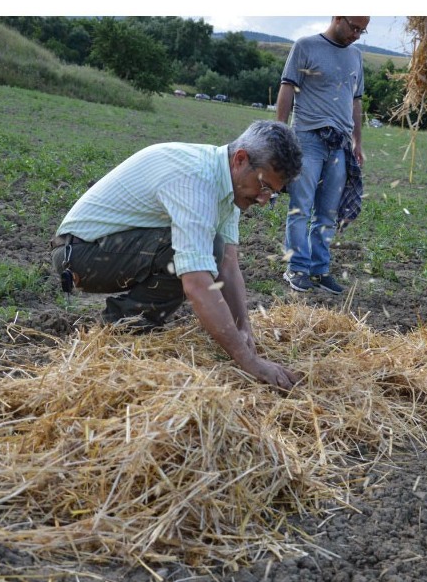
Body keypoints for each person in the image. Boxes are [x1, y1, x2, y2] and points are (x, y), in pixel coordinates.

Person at [50, 120, 304, 391]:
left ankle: (134, 322)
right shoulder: (196, 178)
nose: (264, 200)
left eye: (273, 194)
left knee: (213, 248)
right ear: (240, 159)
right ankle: (121, 329)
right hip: (78, 254)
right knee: (194, 252)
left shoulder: (226, 185)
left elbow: (229, 266)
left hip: (107, 249)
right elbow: (196, 282)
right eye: (263, 187)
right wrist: (249, 362)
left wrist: (245, 332)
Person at [276, 16, 369, 295]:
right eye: (353, 27)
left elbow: (355, 101)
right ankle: (297, 268)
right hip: (308, 139)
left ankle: (319, 270)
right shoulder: (305, 46)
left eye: (362, 31)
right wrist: (280, 133)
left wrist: (357, 142)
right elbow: (287, 88)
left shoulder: (356, 56)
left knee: (328, 212)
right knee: (300, 207)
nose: (356, 35)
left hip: (340, 144)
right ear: (338, 17)